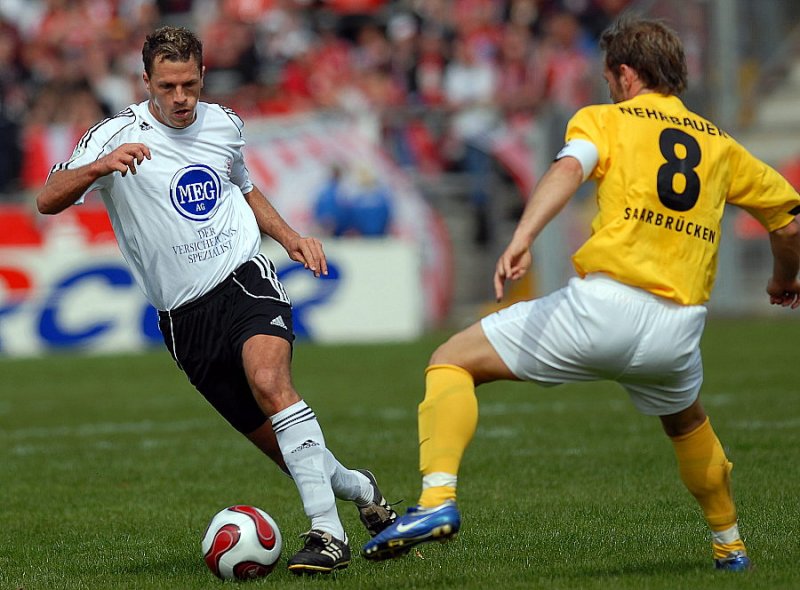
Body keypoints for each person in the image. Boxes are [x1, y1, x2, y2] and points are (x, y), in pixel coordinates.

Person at [362, 17, 800, 572]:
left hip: (604, 308)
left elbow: (569, 169)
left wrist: (522, 236)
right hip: (679, 328)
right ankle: (730, 546)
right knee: (688, 423)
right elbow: (788, 225)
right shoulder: (719, 144)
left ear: (625, 74)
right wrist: (783, 279)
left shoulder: (605, 119)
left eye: (609, 76)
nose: (608, 86)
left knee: (450, 360)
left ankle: (436, 501)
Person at [35, 26, 397, 575]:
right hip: (184, 321)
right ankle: (358, 487)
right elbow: (46, 199)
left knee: (271, 383)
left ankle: (328, 534)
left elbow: (244, 187)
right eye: (167, 86)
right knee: (284, 448)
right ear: (146, 82)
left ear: (203, 75)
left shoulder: (224, 124)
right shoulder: (112, 135)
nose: (180, 98)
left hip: (242, 278)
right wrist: (98, 168)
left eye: (189, 84)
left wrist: (289, 238)